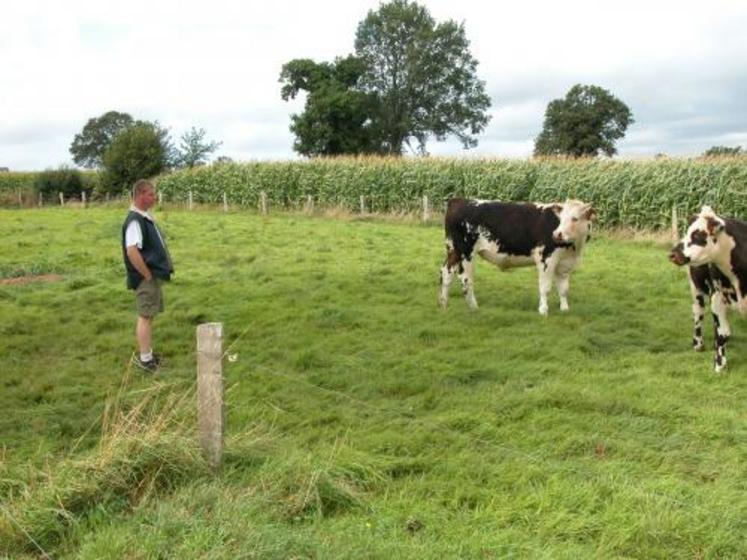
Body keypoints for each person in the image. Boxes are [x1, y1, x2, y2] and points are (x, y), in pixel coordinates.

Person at [122, 179, 174, 373]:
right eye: (151, 194)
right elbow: (132, 251)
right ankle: (146, 361)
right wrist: (146, 274)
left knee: (149, 315)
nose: (154, 197)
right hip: (145, 278)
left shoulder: (144, 217)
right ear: (141, 195)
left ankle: (148, 355)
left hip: (150, 276)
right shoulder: (135, 220)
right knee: (145, 316)